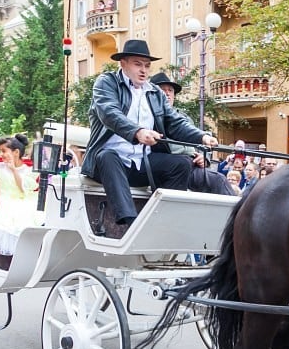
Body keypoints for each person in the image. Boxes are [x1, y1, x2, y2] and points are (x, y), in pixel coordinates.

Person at [82, 40, 219, 233]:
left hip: (141, 164)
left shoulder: (155, 93)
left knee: (181, 164)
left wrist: (202, 137)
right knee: (107, 155)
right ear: (123, 63)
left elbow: (175, 122)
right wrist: (137, 132)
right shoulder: (106, 83)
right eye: (137, 64)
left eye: (147, 65)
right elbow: (110, 114)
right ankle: (130, 224)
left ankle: (166, 222)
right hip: (107, 165)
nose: (143, 70)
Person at [149, 71, 235, 196]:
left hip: (193, 166)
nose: (167, 94)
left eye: (170, 90)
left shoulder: (183, 117)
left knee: (219, 180)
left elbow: (195, 144)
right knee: (218, 181)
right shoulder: (151, 117)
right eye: (163, 90)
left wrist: (203, 157)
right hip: (175, 168)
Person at [0, 134, 43, 270]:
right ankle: (7, 262)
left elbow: (24, 189)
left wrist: (13, 170)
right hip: (6, 202)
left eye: (4, 151)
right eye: (0, 151)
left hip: (26, 200)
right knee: (11, 217)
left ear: (16, 152)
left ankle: (30, 258)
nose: (1, 155)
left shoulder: (29, 171)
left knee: (30, 215)